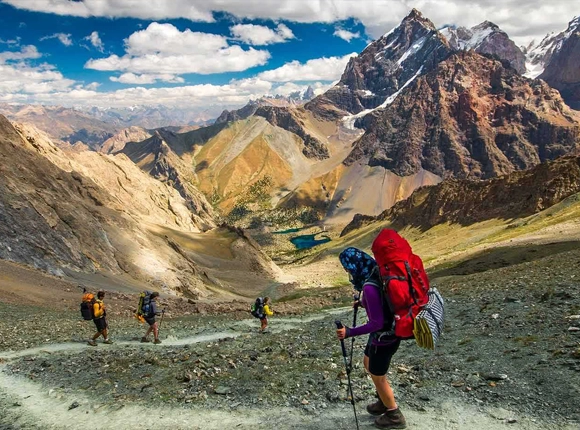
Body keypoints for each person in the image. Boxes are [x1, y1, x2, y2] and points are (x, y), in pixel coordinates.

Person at [336, 247, 406, 429]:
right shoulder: (375, 274)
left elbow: (376, 323)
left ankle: (394, 414)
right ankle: (383, 400)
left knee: (377, 375)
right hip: (386, 333)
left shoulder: (369, 286)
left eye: (348, 268)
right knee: (368, 363)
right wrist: (362, 302)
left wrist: (349, 332)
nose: (348, 272)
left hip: (384, 337)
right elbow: (380, 302)